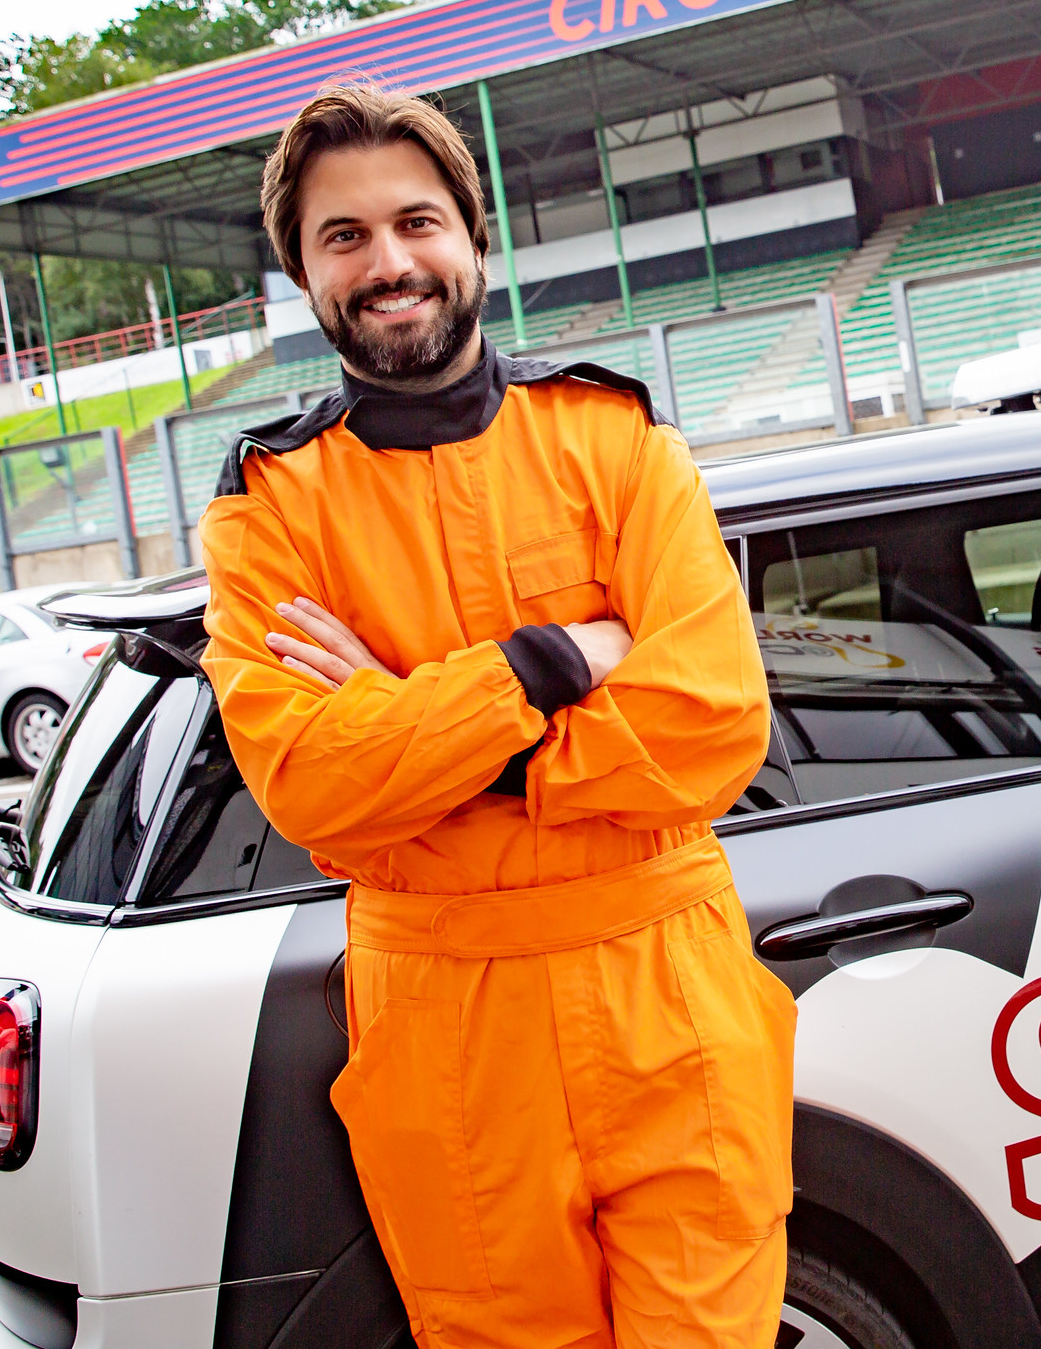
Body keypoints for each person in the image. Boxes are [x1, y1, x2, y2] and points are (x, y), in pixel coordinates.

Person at [198, 84, 792, 1349]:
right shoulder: (267, 511)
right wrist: (544, 664)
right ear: (301, 275)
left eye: (415, 222)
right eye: (341, 237)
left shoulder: (620, 444)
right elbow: (310, 782)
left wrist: (422, 739)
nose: (388, 262)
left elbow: (709, 724)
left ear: (474, 237)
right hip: (445, 1034)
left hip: (666, 992)